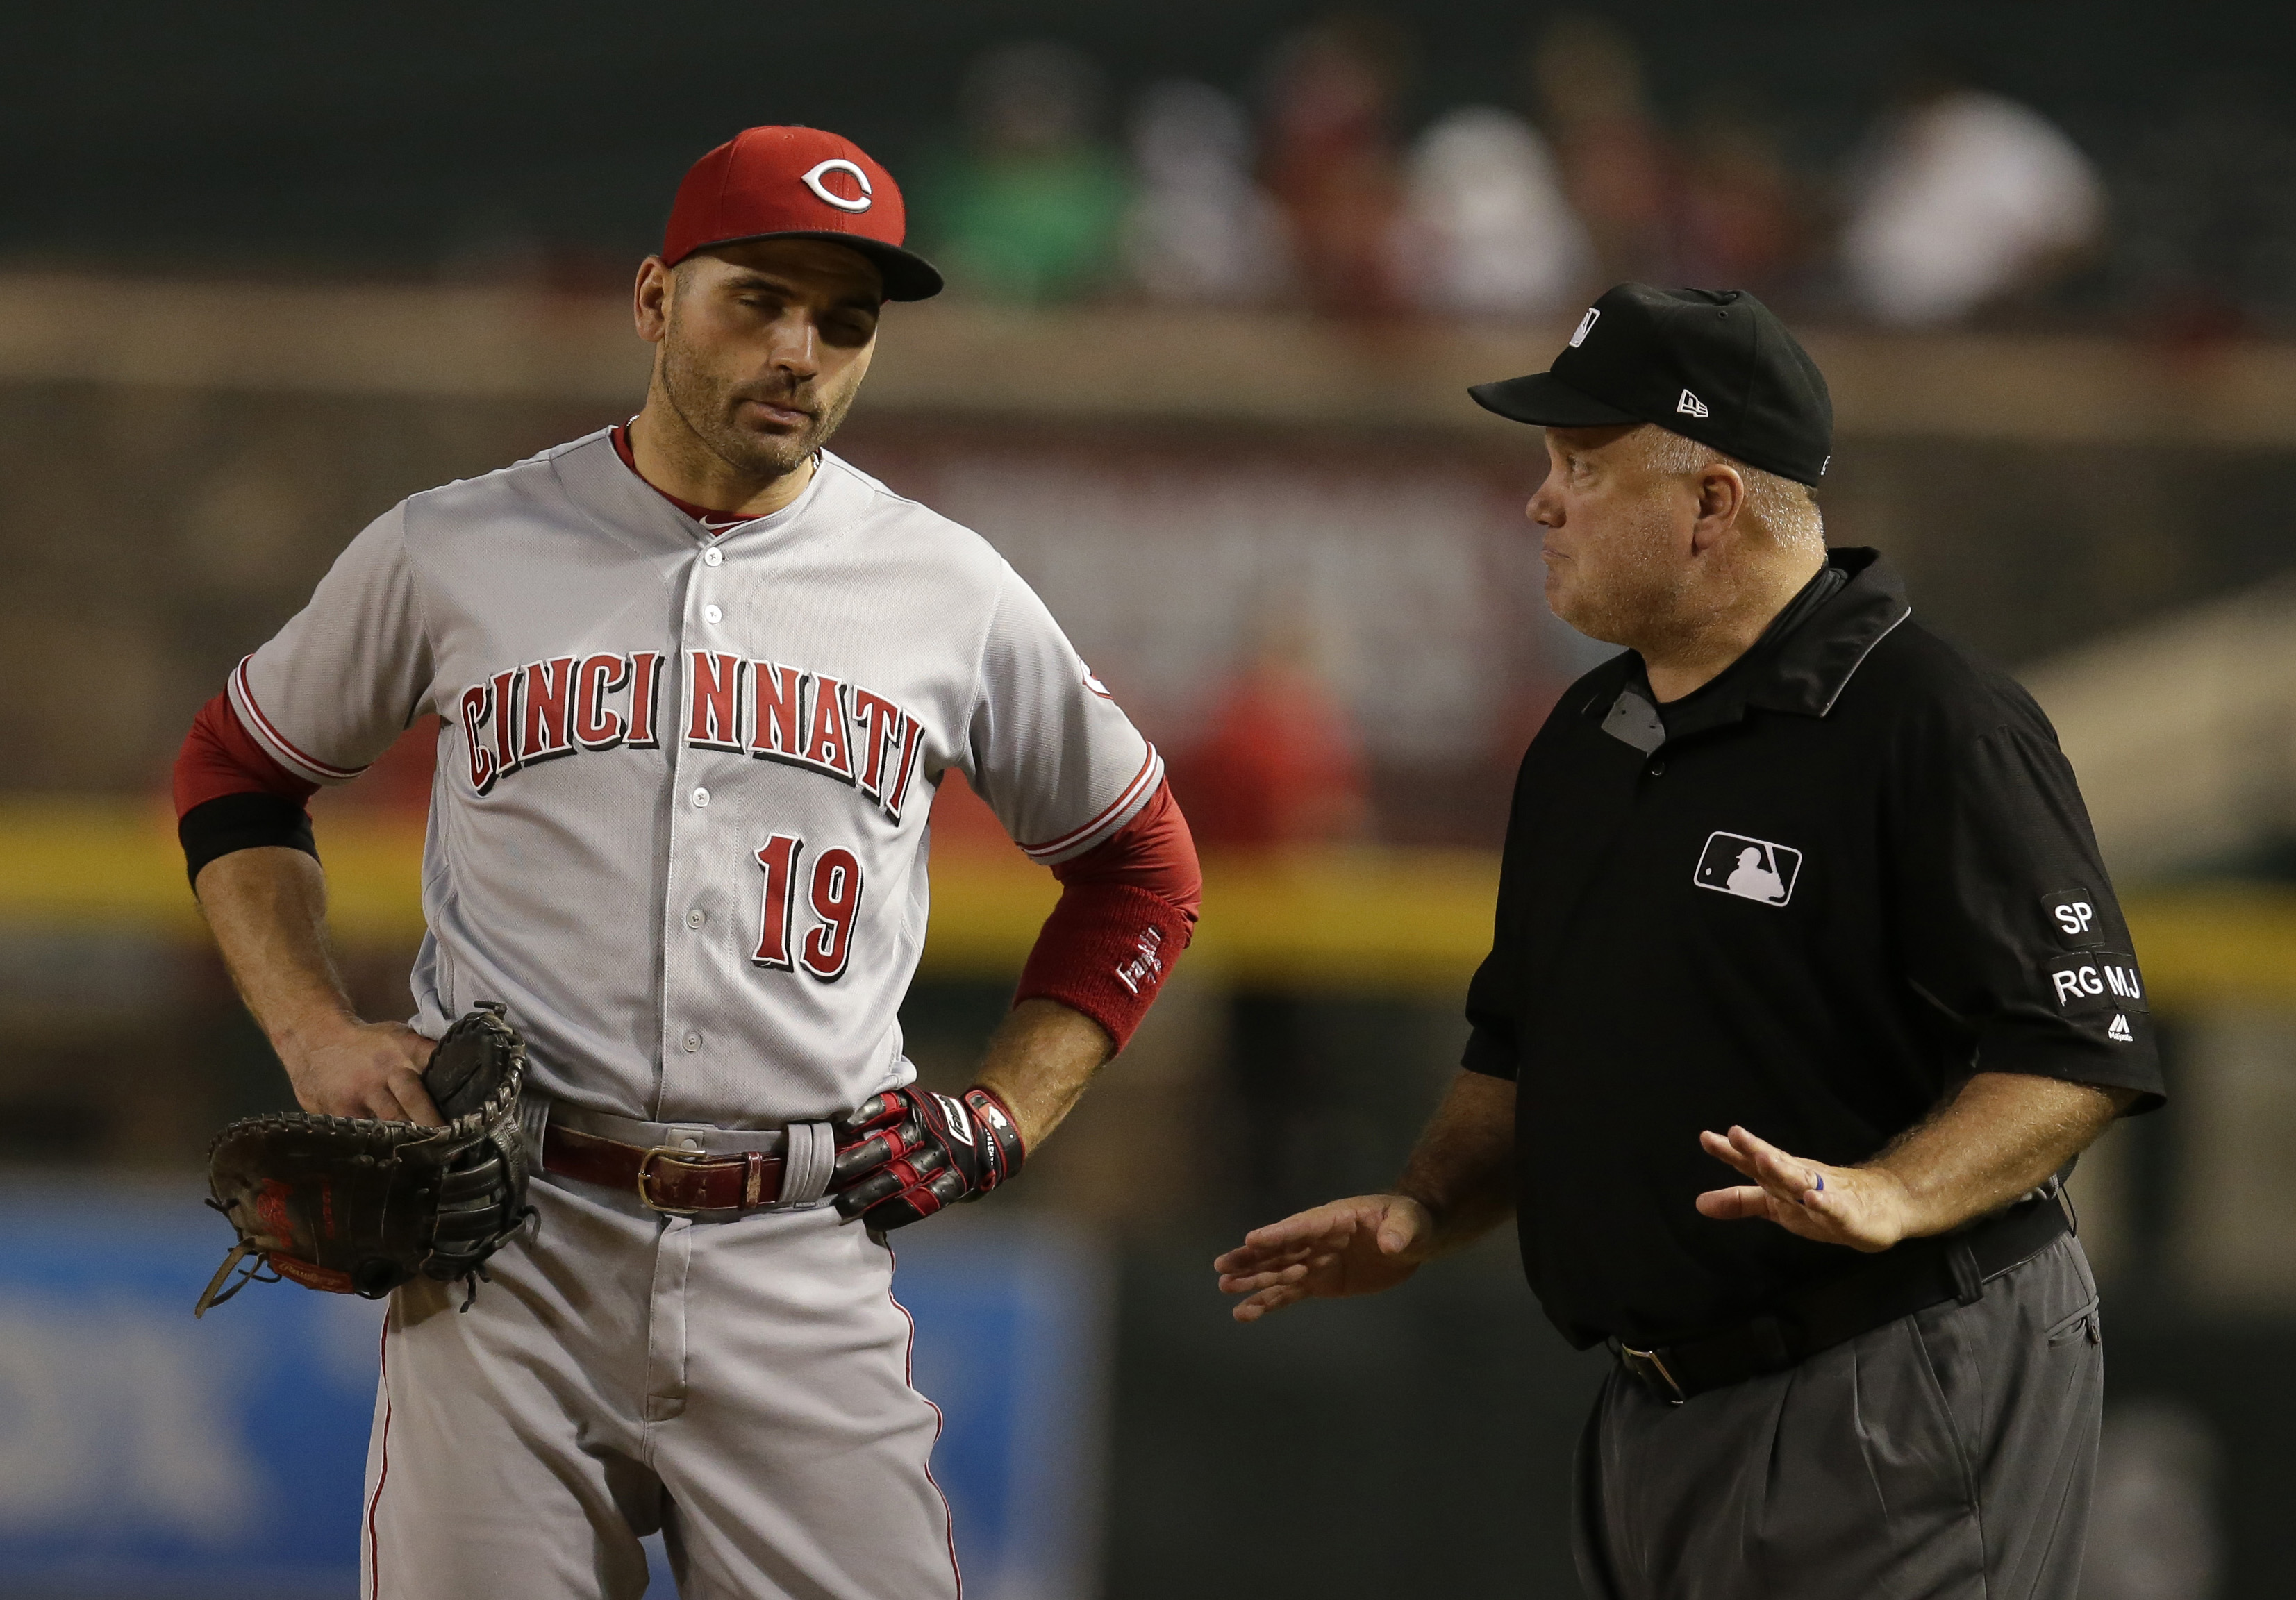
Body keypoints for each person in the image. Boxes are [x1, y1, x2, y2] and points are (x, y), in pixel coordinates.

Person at [172, 124, 1201, 1599]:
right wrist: (313, 1030)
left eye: (845, 324)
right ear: (655, 300)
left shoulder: (947, 590)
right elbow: (239, 769)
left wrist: (1003, 1114)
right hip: (511, 1247)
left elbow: (1142, 874)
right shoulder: (456, 546)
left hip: (803, 1257)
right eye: (760, 300)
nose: (803, 351)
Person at [1215, 282, 2164, 1600]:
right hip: (1659, 1400)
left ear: (1712, 504)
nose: (1540, 501)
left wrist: (1892, 1191)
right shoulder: (1586, 740)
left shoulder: (1931, 720)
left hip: (1897, 1361)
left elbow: (2077, 1053)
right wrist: (1425, 1208)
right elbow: (1516, 1046)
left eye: (1581, 468)